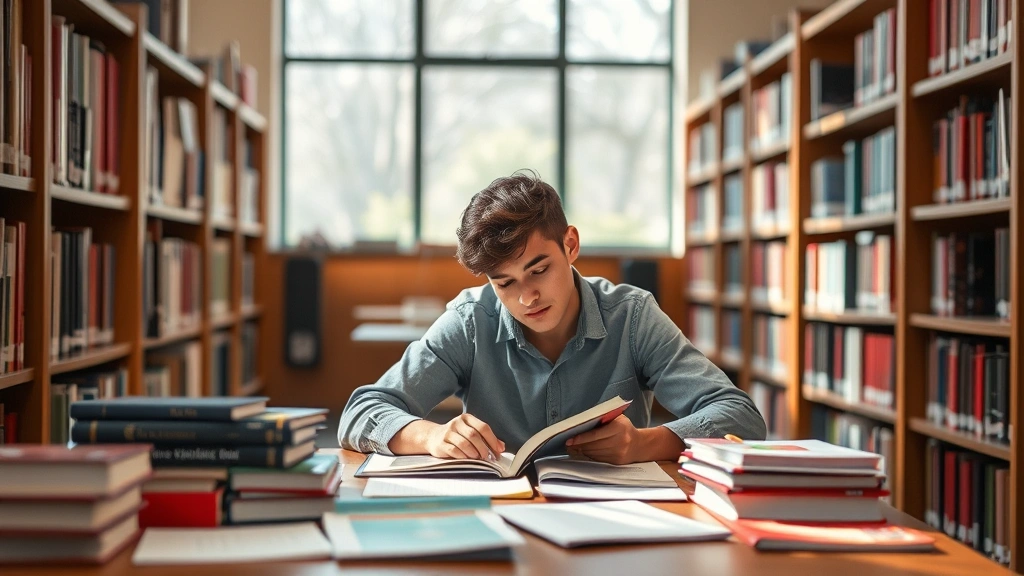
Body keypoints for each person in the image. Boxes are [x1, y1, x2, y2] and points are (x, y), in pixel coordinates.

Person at [339, 171, 766, 464]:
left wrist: (645, 442)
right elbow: (360, 412)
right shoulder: (471, 320)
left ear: (571, 244)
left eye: (539, 270)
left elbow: (741, 417)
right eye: (504, 283)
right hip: (503, 517)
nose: (527, 298)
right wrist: (431, 437)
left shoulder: (632, 316)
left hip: (618, 525)